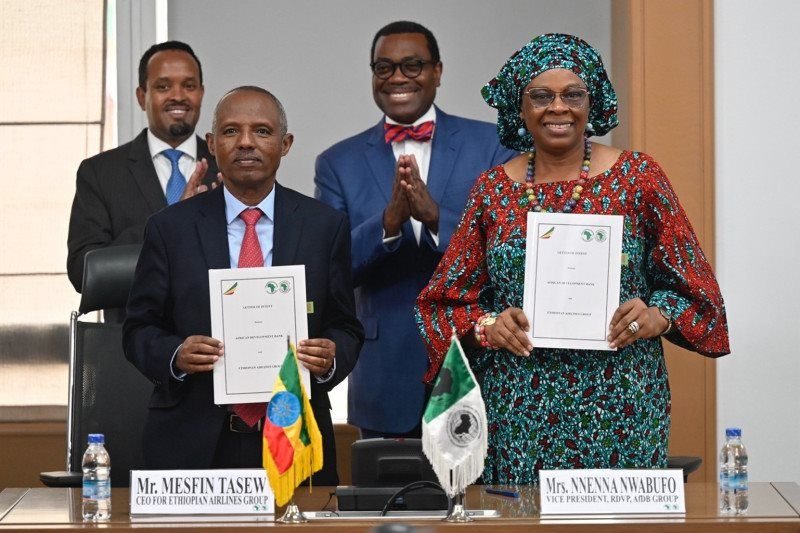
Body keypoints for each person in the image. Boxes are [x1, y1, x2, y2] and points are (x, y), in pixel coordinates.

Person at [416, 33, 730, 483]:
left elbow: (700, 298)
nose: (558, 107)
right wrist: (487, 326)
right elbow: (440, 305)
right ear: (520, 107)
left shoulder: (639, 177)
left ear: (593, 101)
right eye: (541, 96)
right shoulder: (492, 190)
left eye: (573, 94)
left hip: (621, 406)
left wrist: (657, 316)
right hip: (518, 409)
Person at [123, 86, 364, 485]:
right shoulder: (170, 228)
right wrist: (176, 354)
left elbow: (346, 326)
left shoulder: (324, 227)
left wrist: (331, 357)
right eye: (232, 131)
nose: (247, 142)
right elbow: (137, 330)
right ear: (211, 144)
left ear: (285, 144)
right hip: (192, 443)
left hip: (295, 439)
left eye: (263, 132)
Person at [314, 21, 516, 439]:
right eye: (384, 67)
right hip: (384, 371)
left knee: (476, 501)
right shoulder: (337, 162)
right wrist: (388, 224)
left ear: (437, 72)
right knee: (387, 501)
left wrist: (436, 218)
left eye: (412, 65)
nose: (398, 77)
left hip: (476, 359)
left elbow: (510, 249)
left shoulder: (492, 145)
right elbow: (329, 269)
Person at [67, 40, 219, 294]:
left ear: (201, 93)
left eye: (189, 86)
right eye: (163, 86)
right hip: (132, 330)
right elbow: (82, 271)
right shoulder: (100, 173)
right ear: (142, 96)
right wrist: (170, 221)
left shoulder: (228, 168)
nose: (178, 96)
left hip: (212, 331)